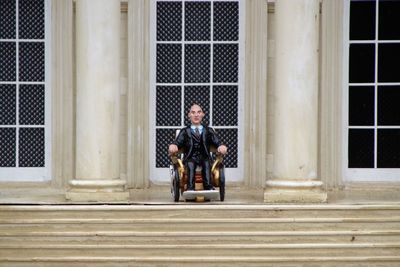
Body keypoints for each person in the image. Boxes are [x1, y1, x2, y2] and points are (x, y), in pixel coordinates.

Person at [168, 103, 228, 191]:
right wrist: (174, 146)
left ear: (203, 114)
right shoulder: (185, 131)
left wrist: (221, 146)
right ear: (189, 115)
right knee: (190, 165)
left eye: (199, 112)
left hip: (205, 156)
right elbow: (178, 142)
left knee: (207, 164)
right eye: (193, 112)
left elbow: (217, 141)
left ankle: (208, 187)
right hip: (190, 157)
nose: (196, 115)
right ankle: (190, 188)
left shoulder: (208, 130)